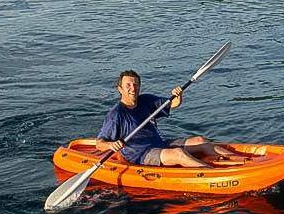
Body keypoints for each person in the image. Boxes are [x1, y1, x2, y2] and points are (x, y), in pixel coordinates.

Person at [93, 69, 246, 167]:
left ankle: (243, 161)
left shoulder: (146, 100)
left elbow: (173, 104)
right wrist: (111, 145)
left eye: (136, 84)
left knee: (201, 140)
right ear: (120, 88)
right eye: (128, 85)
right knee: (179, 153)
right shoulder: (116, 114)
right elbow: (100, 144)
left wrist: (178, 95)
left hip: (159, 143)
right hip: (141, 154)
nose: (133, 88)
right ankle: (211, 173)